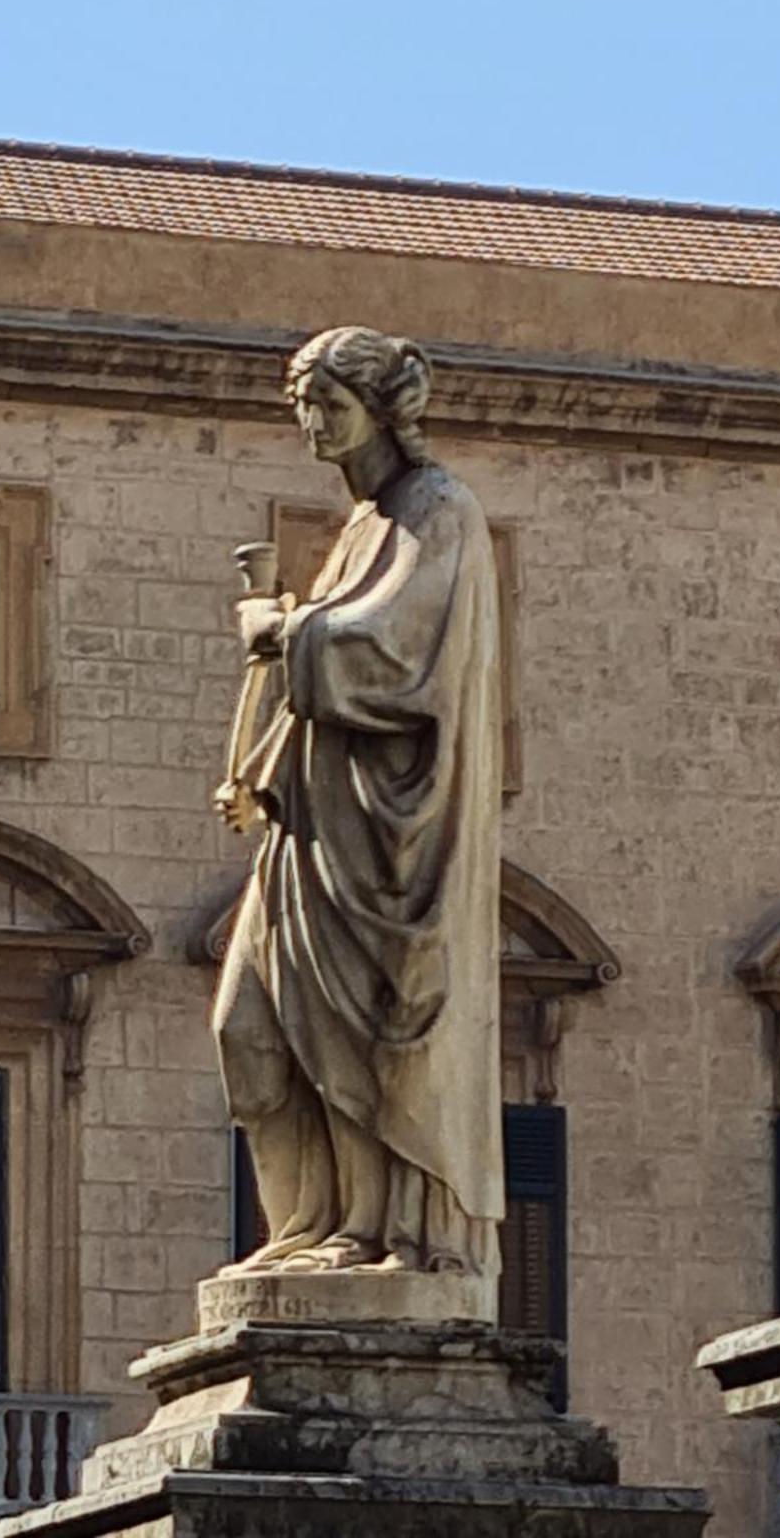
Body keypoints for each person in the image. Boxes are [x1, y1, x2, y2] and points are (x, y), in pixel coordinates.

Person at [213, 325, 503, 1274]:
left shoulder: (439, 511)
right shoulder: (365, 527)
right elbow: (328, 681)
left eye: (329, 405)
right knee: (247, 1029)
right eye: (303, 405)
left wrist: (282, 631)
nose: (312, 425)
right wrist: (261, 769)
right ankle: (303, 1225)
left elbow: (393, 653)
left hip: (389, 847)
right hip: (315, 832)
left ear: (383, 410)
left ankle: (370, 1229)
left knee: (357, 1040)